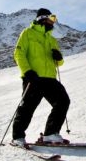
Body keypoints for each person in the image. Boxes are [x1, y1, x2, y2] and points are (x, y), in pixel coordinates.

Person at [11, 8, 70, 145]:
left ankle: (50, 134)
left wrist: (58, 57)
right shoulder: (27, 33)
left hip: (50, 78)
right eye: (51, 18)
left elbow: (59, 63)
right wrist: (27, 71)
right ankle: (17, 137)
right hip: (33, 77)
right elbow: (18, 54)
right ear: (42, 19)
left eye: (54, 19)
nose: (53, 22)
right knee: (27, 108)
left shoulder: (51, 39)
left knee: (63, 101)